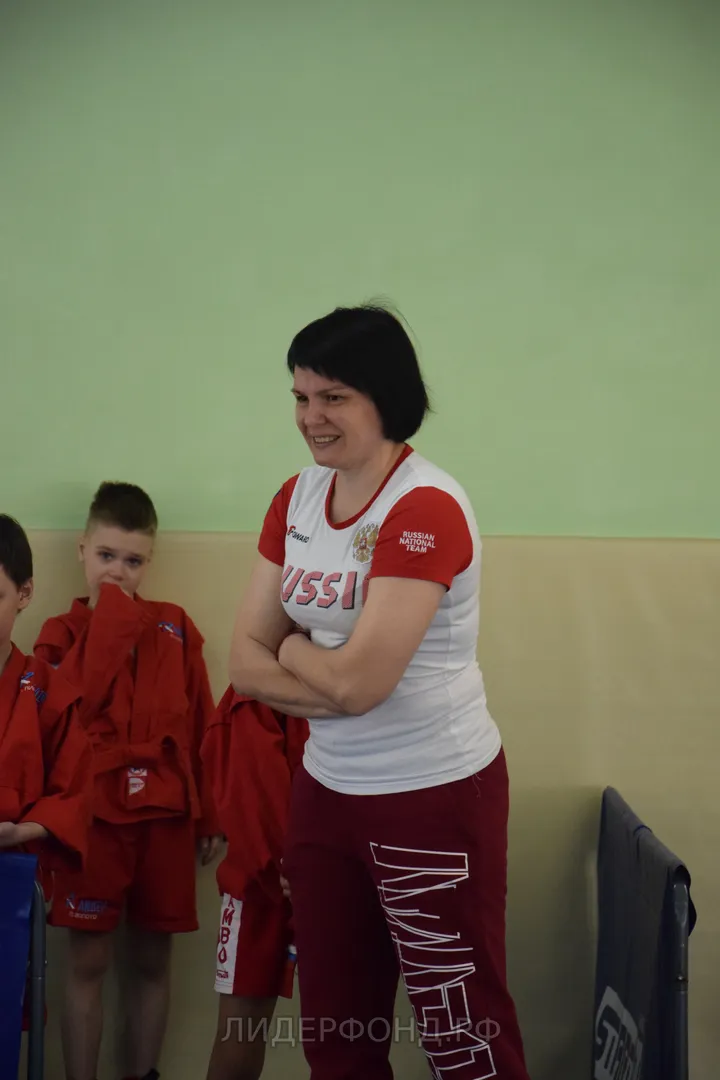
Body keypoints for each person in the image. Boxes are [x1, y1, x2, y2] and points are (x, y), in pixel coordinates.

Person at [228, 305, 531, 1080]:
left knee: (462, 1036)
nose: (311, 418)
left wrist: (289, 645)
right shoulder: (295, 499)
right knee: (337, 1035)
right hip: (326, 792)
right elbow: (241, 665)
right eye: (300, 397)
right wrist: (326, 675)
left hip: (431, 793)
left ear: (385, 397)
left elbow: (357, 685)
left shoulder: (424, 505)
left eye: (333, 397)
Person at [33, 482, 222, 1080]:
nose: (118, 571)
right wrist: (110, 620)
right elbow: (62, 717)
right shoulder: (60, 633)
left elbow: (203, 724)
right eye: (106, 556)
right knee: (87, 961)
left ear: (150, 562)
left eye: (134, 561)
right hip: (93, 819)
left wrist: (211, 813)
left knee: (152, 960)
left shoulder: (174, 626)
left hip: (165, 817)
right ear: (82, 551)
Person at [201, 686, 308, 1080]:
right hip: (261, 883)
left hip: (338, 879)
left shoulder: (367, 674)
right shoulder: (258, 685)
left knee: (348, 1029)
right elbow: (249, 787)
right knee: (241, 1028)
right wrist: (291, 864)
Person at [0, 512, 92, 872]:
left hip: (14, 868)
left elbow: (73, 791)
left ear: (24, 593)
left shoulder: (47, 691)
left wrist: (21, 831)